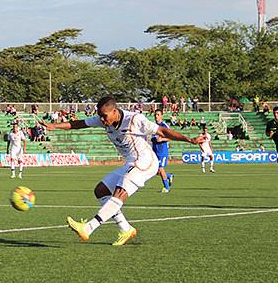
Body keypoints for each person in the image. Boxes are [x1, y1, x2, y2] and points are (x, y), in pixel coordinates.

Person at [43, 96, 202, 246]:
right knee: (101, 190)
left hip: (145, 161)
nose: (102, 120)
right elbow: (80, 124)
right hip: (130, 163)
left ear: (115, 111)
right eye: (100, 116)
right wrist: (54, 126)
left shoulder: (134, 120)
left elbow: (162, 131)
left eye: (105, 116)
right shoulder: (103, 119)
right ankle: (126, 229)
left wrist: (189, 140)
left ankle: (89, 228)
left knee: (120, 190)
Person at [151, 109, 174, 193]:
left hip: (162, 151)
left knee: (160, 169)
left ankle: (166, 188)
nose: (156, 116)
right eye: (155, 115)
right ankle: (169, 176)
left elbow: (172, 137)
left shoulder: (164, 126)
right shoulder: (153, 126)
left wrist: (162, 139)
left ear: (161, 116)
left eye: (158, 114)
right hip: (154, 151)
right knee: (155, 171)